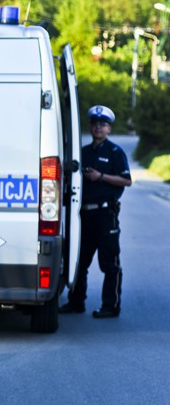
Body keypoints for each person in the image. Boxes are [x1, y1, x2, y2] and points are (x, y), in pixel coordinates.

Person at [59, 105, 132, 318]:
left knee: (109, 263)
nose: (98, 128)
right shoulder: (82, 153)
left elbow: (126, 180)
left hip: (105, 215)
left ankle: (111, 306)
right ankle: (76, 302)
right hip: (84, 215)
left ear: (109, 129)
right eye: (95, 124)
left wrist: (100, 177)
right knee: (79, 261)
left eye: (103, 124)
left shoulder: (115, 152)